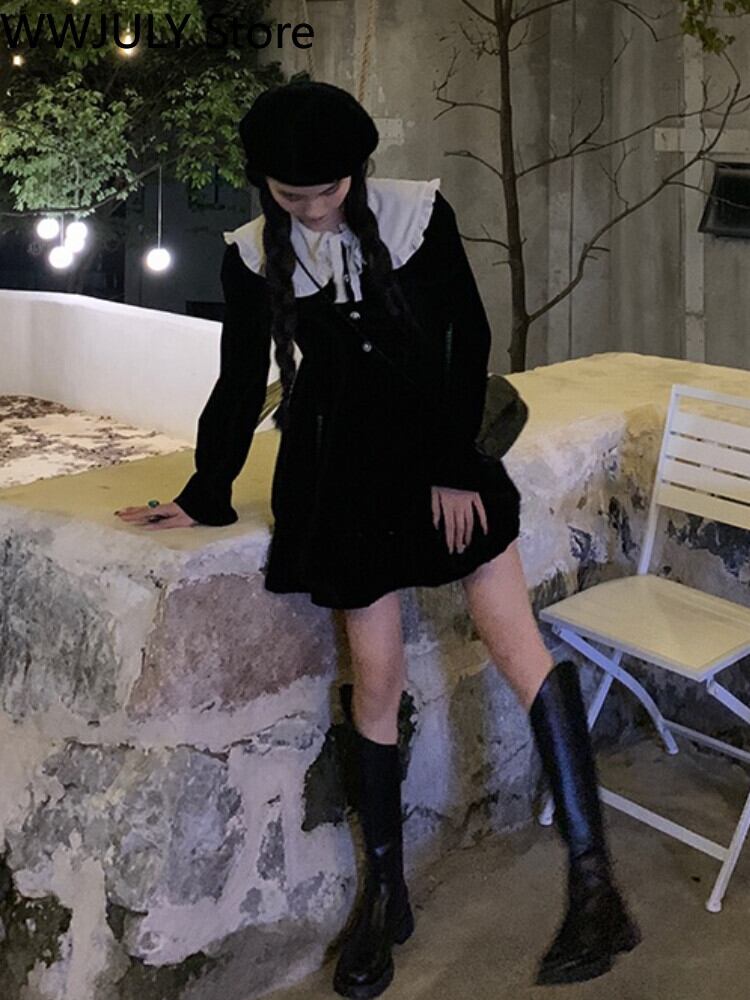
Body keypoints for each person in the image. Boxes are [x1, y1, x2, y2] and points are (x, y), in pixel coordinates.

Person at [114, 81, 640, 996]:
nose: (315, 208)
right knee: (377, 680)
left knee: (521, 650)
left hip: (441, 455)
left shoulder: (416, 216)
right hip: (340, 477)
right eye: (294, 195)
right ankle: (383, 895)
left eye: (329, 190)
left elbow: (466, 337)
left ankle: (595, 886)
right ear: (266, 184)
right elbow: (239, 381)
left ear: (356, 171)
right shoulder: (251, 254)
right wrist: (204, 491)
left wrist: (454, 465)